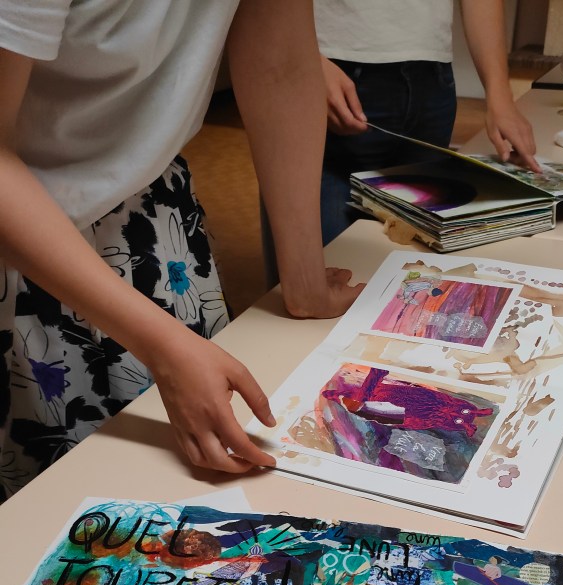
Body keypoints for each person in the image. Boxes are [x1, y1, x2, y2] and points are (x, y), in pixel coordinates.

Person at [0, 0, 363, 502]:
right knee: (58, 502)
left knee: (200, 484)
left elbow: (280, 61)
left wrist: (304, 280)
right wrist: (165, 348)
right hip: (25, 232)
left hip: (153, 211)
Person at [314, 0, 542, 246]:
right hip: (335, 73)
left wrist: (501, 94)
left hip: (433, 83)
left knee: (416, 258)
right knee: (333, 256)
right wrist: (308, 60)